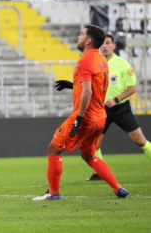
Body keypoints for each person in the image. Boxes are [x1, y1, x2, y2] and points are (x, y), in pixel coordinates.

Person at [33, 25, 128, 201]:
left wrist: (79, 119)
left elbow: (88, 92)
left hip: (86, 117)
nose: (79, 36)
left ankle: (53, 193)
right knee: (88, 155)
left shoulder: (85, 60)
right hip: (100, 117)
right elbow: (95, 85)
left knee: (53, 149)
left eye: (82, 34)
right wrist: (73, 84)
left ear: (89, 41)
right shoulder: (100, 59)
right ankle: (117, 188)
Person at [59, 34, 151, 181]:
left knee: (140, 140)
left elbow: (132, 88)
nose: (105, 46)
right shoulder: (96, 62)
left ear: (114, 46)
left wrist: (115, 99)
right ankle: (99, 173)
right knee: (94, 145)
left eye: (108, 43)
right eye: (103, 43)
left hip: (120, 108)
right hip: (100, 109)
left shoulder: (123, 64)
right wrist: (71, 85)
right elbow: (88, 84)